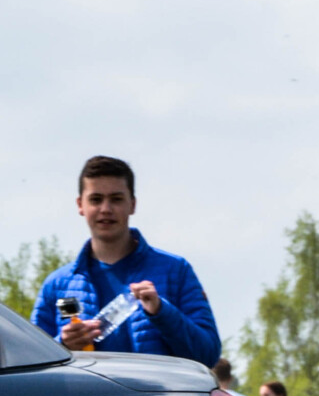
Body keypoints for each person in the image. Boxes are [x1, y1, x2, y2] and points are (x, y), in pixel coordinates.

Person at [34, 155, 221, 366]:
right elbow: (30, 362)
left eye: (116, 199)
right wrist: (63, 345)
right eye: (96, 199)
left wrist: (162, 312)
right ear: (80, 205)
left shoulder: (176, 271)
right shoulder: (57, 285)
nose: (106, 209)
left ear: (132, 204)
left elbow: (208, 355)